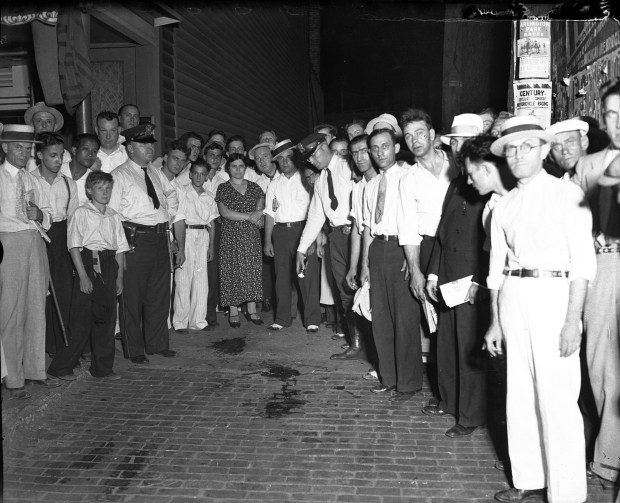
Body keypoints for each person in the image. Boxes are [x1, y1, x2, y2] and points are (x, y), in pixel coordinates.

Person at [486, 116, 596, 503]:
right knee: (519, 394)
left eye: (527, 146)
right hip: (514, 298)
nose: (517, 155)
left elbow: (583, 264)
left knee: (558, 397)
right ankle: (529, 478)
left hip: (554, 297)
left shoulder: (566, 195)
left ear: (545, 150)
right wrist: (494, 322)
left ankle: (566, 493)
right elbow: (496, 269)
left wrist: (573, 322)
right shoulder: (503, 205)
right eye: (511, 149)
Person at [422, 114, 488, 438]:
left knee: (468, 349)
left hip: (470, 280)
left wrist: (479, 281)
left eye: (464, 141)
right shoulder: (456, 182)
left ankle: (470, 414)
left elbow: (491, 243)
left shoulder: (488, 182)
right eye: (455, 142)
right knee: (446, 344)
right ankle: (448, 400)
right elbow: (441, 234)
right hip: (448, 277)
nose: (458, 147)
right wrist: (432, 273)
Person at [573, 78, 620, 487]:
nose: (618, 123)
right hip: (604, 268)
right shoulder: (589, 167)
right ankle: (608, 458)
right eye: (611, 115)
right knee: (600, 365)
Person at [108, 124, 185, 364]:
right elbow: (112, 214)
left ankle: (157, 343)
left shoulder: (154, 171)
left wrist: (169, 228)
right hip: (136, 239)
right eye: (143, 144)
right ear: (130, 147)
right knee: (132, 297)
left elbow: (171, 196)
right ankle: (135, 349)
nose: (149, 148)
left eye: (151, 144)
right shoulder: (119, 175)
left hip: (160, 238)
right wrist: (122, 247)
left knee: (159, 294)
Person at [358, 129, 422, 402]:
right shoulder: (371, 185)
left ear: (396, 147)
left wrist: (413, 259)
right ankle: (389, 377)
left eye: (385, 146)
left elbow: (417, 220)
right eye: (374, 148)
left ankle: (408, 383)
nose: (379, 152)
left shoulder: (408, 177)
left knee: (405, 319)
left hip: (401, 248)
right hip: (378, 250)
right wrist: (364, 265)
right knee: (380, 319)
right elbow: (368, 229)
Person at [47, 171, 129, 381]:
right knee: (81, 320)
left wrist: (119, 278)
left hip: (109, 266)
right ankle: (61, 367)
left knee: (107, 319)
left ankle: (102, 368)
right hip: (88, 263)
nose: (105, 192)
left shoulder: (113, 215)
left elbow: (120, 248)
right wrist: (83, 276)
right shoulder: (81, 213)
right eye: (100, 188)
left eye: (108, 188)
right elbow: (74, 246)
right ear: (89, 190)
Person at [0, 125, 56, 399]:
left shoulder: (32, 179)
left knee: (36, 307)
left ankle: (35, 370)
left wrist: (40, 214)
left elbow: (48, 214)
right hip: (9, 243)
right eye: (18, 148)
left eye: (27, 148)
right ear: (5, 148)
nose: (24, 153)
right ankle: (13, 376)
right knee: (11, 312)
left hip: (36, 242)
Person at [295, 133, 362, 360]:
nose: (313, 161)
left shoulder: (348, 166)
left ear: (325, 146)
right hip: (336, 237)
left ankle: (372, 345)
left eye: (315, 154)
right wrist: (301, 250)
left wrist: (356, 224)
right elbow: (315, 215)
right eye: (309, 159)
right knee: (345, 293)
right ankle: (356, 344)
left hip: (357, 234)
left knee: (364, 289)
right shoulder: (321, 180)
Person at [264, 140, 320, 333]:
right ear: (277, 162)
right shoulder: (274, 184)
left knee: (307, 277)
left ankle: (312, 319)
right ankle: (282, 318)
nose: (285, 162)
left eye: (289, 157)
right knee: (281, 278)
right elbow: (270, 214)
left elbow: (317, 211)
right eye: (281, 159)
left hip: (303, 230)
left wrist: (312, 238)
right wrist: (267, 241)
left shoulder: (306, 179)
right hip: (280, 232)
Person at [32, 132, 79, 357]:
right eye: (53, 155)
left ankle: (62, 347)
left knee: (63, 293)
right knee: (39, 295)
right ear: (39, 155)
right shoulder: (29, 180)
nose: (59, 160)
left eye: (61, 155)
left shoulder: (68, 184)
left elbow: (74, 219)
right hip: (36, 238)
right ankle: (41, 348)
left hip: (61, 238)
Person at [339, 133, 377, 360]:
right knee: (367, 309)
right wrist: (353, 267)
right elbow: (357, 229)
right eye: (355, 153)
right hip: (366, 253)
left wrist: (366, 265)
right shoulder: (359, 187)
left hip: (384, 252)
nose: (360, 157)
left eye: (364, 151)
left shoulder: (387, 181)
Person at [215, 154, 265, 327]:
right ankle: (234, 310)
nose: (237, 169)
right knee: (232, 270)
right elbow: (225, 213)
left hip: (251, 235)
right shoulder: (223, 188)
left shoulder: (255, 188)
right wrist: (249, 216)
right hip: (231, 235)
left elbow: (259, 214)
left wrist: (256, 217)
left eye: (241, 166)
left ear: (246, 168)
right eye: (234, 166)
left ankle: (252, 309)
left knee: (251, 270)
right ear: (228, 168)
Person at [173, 163, 218, 333]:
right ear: (190, 175)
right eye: (196, 174)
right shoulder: (182, 191)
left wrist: (211, 247)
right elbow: (177, 219)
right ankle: (180, 322)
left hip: (203, 236)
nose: (199, 177)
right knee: (183, 279)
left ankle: (198, 320)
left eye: (203, 174)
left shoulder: (209, 196)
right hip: (186, 234)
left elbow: (212, 223)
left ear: (207, 176)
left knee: (201, 281)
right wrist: (178, 244)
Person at [24, 102, 71, 174]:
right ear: (32, 125)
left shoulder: (64, 155)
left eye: (49, 122)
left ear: (55, 127)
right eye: (39, 121)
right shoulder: (24, 151)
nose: (44, 125)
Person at [68, 134, 101, 205]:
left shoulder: (94, 180)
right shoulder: (58, 171)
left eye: (94, 151)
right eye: (86, 149)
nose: (90, 154)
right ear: (74, 150)